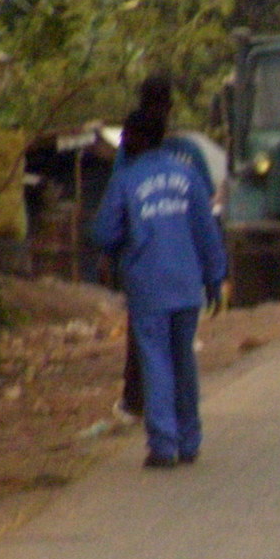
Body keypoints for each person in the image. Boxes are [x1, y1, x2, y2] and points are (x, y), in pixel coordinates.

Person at [92, 110, 227, 468]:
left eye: (126, 138)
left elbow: (104, 232)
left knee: (155, 361)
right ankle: (190, 439)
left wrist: (119, 247)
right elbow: (206, 232)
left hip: (148, 284)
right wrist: (215, 279)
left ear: (136, 139)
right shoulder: (187, 175)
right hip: (186, 285)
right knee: (184, 360)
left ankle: (164, 444)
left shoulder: (126, 180)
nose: (122, 144)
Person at [110, 73, 219, 421]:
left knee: (148, 346)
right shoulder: (186, 155)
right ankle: (184, 432)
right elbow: (206, 215)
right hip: (184, 269)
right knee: (179, 352)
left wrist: (110, 250)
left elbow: (109, 219)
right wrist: (214, 273)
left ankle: (152, 420)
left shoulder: (130, 155)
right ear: (170, 107)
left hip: (144, 269)